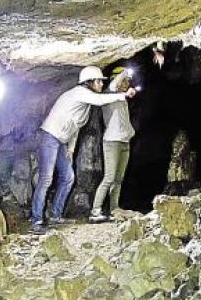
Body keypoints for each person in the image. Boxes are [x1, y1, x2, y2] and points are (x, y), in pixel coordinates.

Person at [31, 66, 136, 231]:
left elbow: (76, 126)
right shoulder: (79, 92)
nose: (101, 85)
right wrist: (124, 94)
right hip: (50, 137)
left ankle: (55, 216)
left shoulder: (85, 104)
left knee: (68, 178)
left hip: (62, 141)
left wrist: (71, 148)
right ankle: (36, 220)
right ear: (90, 82)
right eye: (99, 81)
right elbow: (101, 100)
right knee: (46, 179)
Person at [89, 69, 136, 223]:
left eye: (128, 81)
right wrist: (126, 71)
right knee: (109, 177)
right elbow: (116, 83)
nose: (126, 83)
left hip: (124, 141)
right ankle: (95, 211)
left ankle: (113, 209)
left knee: (118, 179)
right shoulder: (109, 93)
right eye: (124, 80)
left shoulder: (122, 98)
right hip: (112, 141)